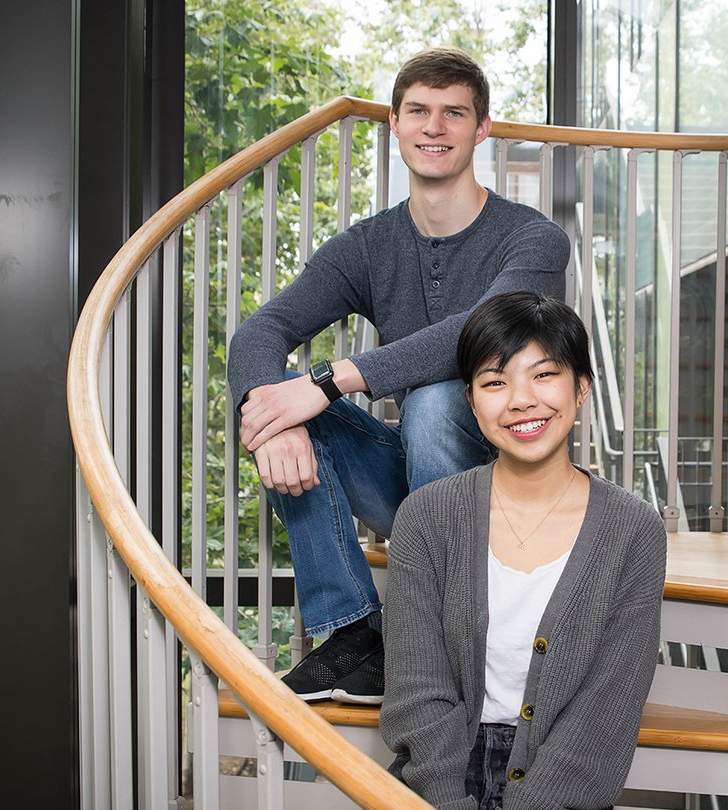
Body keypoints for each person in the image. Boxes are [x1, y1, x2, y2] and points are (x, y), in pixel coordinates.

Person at [226, 48, 571, 705]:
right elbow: (257, 336)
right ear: (395, 123)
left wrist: (327, 380)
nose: (434, 127)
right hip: (420, 493)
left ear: (482, 129)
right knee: (280, 408)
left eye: (453, 113)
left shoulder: (534, 239)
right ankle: (356, 632)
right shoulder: (366, 246)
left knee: (437, 402)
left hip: (511, 496)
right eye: (418, 111)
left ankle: (442, 632)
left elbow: (478, 332)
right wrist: (274, 421)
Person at [380, 290, 667, 810]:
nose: (520, 400)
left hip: (564, 788)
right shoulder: (426, 517)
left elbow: (606, 709)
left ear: (581, 388)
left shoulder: (633, 529)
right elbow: (417, 691)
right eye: (494, 382)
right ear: (471, 400)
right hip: (438, 784)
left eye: (544, 375)